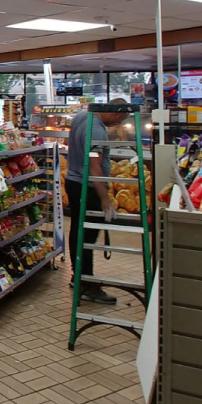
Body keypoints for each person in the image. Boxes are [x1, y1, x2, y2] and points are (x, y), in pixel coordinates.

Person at [65, 99, 131, 304]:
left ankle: (78, 276)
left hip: (73, 182)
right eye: (120, 120)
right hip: (87, 187)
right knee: (87, 237)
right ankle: (87, 285)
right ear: (116, 113)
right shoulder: (96, 130)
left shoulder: (81, 117)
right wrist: (104, 198)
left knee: (78, 232)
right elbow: (94, 166)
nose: (117, 124)